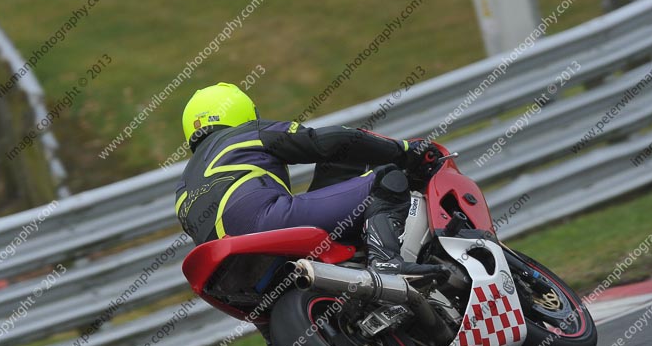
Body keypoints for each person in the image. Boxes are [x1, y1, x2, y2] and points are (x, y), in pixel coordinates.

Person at [175, 82, 448, 277]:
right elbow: (329, 141)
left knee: (339, 163)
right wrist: (402, 151)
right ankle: (387, 261)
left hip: (228, 271)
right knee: (387, 179)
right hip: (268, 224)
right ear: (243, 113)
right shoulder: (247, 133)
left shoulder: (182, 189)